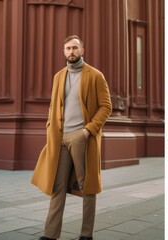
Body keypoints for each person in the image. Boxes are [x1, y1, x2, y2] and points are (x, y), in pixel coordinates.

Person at [31, 35, 112, 240]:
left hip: (81, 137)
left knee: (87, 187)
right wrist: (50, 124)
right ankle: (50, 234)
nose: (71, 52)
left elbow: (106, 107)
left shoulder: (95, 75)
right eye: (67, 48)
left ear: (82, 51)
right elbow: (53, 104)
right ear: (64, 51)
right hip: (60, 138)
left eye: (75, 48)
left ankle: (86, 235)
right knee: (57, 187)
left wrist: (88, 131)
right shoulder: (58, 76)